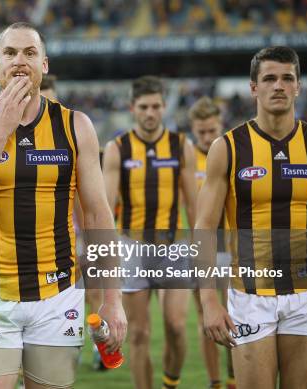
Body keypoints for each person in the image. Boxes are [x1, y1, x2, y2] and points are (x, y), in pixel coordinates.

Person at [0, 22, 126, 388]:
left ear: (45, 64)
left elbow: (98, 215)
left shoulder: (76, 126)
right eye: (10, 53)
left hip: (57, 297)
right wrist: (1, 129)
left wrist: (112, 299)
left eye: (29, 53)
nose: (19, 61)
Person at [197, 46, 307, 389]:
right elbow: (204, 228)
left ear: (299, 86)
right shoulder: (227, 147)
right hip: (250, 295)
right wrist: (209, 301)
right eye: (269, 78)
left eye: (288, 78)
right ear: (254, 87)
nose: (279, 86)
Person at [102, 76, 197, 389]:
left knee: (177, 326)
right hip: (133, 247)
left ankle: (171, 382)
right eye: (143, 106)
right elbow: (105, 207)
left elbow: (194, 206)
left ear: (164, 106)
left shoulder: (182, 146)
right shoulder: (118, 149)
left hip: (173, 247)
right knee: (139, 333)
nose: (150, 112)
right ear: (132, 108)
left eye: (156, 106)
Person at [189, 96, 235, 389]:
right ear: (193, 129)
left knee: (238, 318)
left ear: (221, 125)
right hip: (202, 251)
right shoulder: (186, 160)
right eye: (201, 132)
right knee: (205, 317)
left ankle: (234, 378)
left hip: (234, 249)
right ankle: (214, 381)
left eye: (212, 130)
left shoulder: (234, 153)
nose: (207, 137)